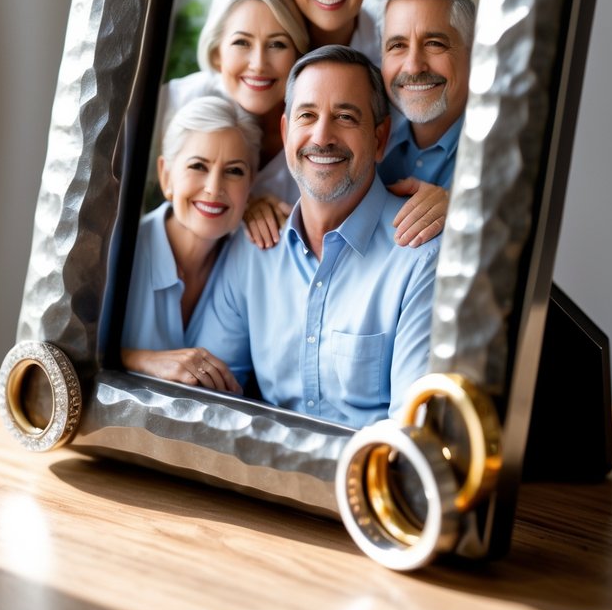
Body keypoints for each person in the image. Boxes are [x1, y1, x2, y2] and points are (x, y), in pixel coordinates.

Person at [186, 46, 440, 429]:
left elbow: (410, 432)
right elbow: (205, 397)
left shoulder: (422, 258)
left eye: (345, 117)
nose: (322, 137)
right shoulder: (253, 248)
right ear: (287, 133)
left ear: (380, 138)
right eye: (307, 116)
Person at [158, 0, 309, 247]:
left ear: (297, 55)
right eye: (242, 42)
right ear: (217, 55)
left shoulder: (312, 131)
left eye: (277, 45)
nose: (259, 64)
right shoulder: (173, 103)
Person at [121, 95, 261, 392]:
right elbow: (68, 352)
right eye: (198, 166)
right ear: (166, 176)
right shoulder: (120, 254)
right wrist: (143, 360)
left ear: (251, 184)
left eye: (234, 170)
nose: (213, 188)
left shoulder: (254, 261)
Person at [377, 0, 475, 249]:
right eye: (397, 45)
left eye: (434, 43)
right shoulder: (368, 147)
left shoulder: (506, 156)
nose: (413, 66)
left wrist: (462, 209)